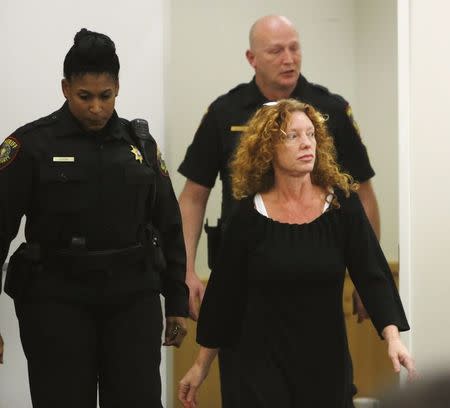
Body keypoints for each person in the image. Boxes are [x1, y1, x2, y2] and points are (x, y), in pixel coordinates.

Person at [178, 14, 379, 406]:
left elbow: (362, 194)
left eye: (294, 47)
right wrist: (186, 269)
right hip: (245, 281)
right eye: (276, 50)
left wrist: (367, 278)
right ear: (252, 58)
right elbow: (193, 195)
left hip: (313, 282)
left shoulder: (329, 110)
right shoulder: (225, 112)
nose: (289, 58)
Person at [178, 99, 416, 408]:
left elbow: (372, 274)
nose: (306, 144)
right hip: (258, 367)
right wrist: (201, 365)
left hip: (325, 367)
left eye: (311, 134)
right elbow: (225, 296)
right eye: (292, 136)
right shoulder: (248, 216)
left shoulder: (342, 206)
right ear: (268, 148)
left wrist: (393, 337)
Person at [0, 28, 188, 407]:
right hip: (55, 297)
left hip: (132, 297)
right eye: (85, 97)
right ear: (66, 88)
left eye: (106, 96)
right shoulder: (31, 145)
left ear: (117, 87)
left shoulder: (140, 146)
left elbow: (168, 223)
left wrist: (178, 302)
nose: (97, 108)